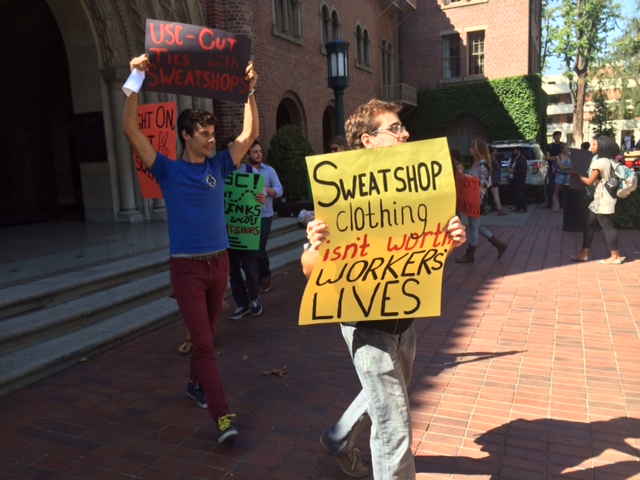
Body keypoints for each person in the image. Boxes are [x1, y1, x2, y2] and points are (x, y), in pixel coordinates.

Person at [301, 98, 467, 480]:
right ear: (367, 140)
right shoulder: (340, 193)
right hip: (366, 326)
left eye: (402, 128)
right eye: (394, 128)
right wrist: (317, 246)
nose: (405, 133)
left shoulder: (418, 190)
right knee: (394, 429)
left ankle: (340, 436)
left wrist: (451, 238)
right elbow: (310, 270)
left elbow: (424, 250)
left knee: (387, 397)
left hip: (404, 323)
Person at [122, 53, 259, 444]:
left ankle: (193, 384)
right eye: (205, 133)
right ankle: (222, 417)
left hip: (220, 263)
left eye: (213, 133)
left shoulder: (218, 165)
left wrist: (251, 90)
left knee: (209, 335)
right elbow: (130, 130)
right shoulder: (168, 169)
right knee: (203, 342)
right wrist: (135, 80)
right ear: (186, 135)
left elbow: (249, 135)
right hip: (186, 270)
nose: (212, 138)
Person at [569, 136, 625, 264]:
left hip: (603, 199)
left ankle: (615, 256)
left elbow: (589, 182)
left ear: (601, 147)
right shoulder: (610, 160)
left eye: (594, 145)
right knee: (589, 224)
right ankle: (584, 253)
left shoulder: (599, 162)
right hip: (600, 199)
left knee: (607, 226)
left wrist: (576, 174)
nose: (592, 147)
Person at [228, 141, 266, 320]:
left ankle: (254, 297)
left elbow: (258, 199)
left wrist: (261, 199)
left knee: (250, 269)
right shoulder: (221, 173)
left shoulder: (252, 172)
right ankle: (242, 304)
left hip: (247, 231)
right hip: (227, 232)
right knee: (233, 271)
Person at [456, 139, 508, 263]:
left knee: (473, 227)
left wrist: (471, 178)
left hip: (478, 199)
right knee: (475, 226)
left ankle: (471, 253)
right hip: (473, 197)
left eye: (471, 147)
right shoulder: (476, 162)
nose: (469, 149)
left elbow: (485, 182)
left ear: (476, 149)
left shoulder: (482, 164)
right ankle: (498, 244)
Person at [245, 141, 283, 293]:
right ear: (247, 155)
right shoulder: (243, 170)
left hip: (265, 215)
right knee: (249, 250)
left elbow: (279, 190)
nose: (259, 154)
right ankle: (254, 279)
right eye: (255, 152)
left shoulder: (269, 171)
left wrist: (264, 190)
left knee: (259, 247)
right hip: (246, 215)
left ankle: (265, 275)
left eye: (260, 151)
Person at [543, 131, 562, 209]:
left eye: (559, 136)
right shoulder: (549, 146)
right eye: (556, 136)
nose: (557, 137)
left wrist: (554, 158)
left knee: (561, 186)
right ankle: (549, 203)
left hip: (561, 168)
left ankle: (562, 203)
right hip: (552, 168)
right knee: (551, 186)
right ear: (553, 137)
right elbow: (547, 157)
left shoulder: (563, 145)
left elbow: (566, 156)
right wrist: (557, 158)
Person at [552, 142, 572, 212]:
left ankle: (567, 205)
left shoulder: (570, 156)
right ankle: (556, 205)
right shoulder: (558, 157)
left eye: (568, 148)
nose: (568, 149)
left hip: (568, 175)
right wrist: (570, 167)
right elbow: (561, 167)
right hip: (560, 175)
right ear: (562, 149)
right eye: (566, 148)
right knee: (556, 191)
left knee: (568, 191)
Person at [489, 147, 507, 215]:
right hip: (493, 178)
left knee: (488, 194)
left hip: (488, 178)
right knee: (495, 194)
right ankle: (499, 209)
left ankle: (484, 209)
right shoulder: (492, 158)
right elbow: (498, 166)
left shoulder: (485, 158)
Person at [511, 146, 528, 213]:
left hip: (520, 178)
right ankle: (518, 207)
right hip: (516, 177)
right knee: (516, 193)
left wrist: (514, 171)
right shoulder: (517, 158)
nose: (514, 152)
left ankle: (523, 208)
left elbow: (523, 170)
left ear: (519, 151)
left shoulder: (522, 159)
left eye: (515, 150)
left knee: (520, 193)